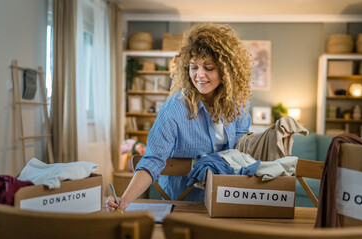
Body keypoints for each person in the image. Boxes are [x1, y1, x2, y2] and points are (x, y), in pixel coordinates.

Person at [107, 23, 253, 212]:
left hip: (226, 200)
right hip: (184, 203)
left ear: (226, 71)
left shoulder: (238, 103)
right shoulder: (174, 109)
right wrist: (124, 200)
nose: (200, 75)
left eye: (208, 67)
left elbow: (241, 152)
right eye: (194, 67)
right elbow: (153, 160)